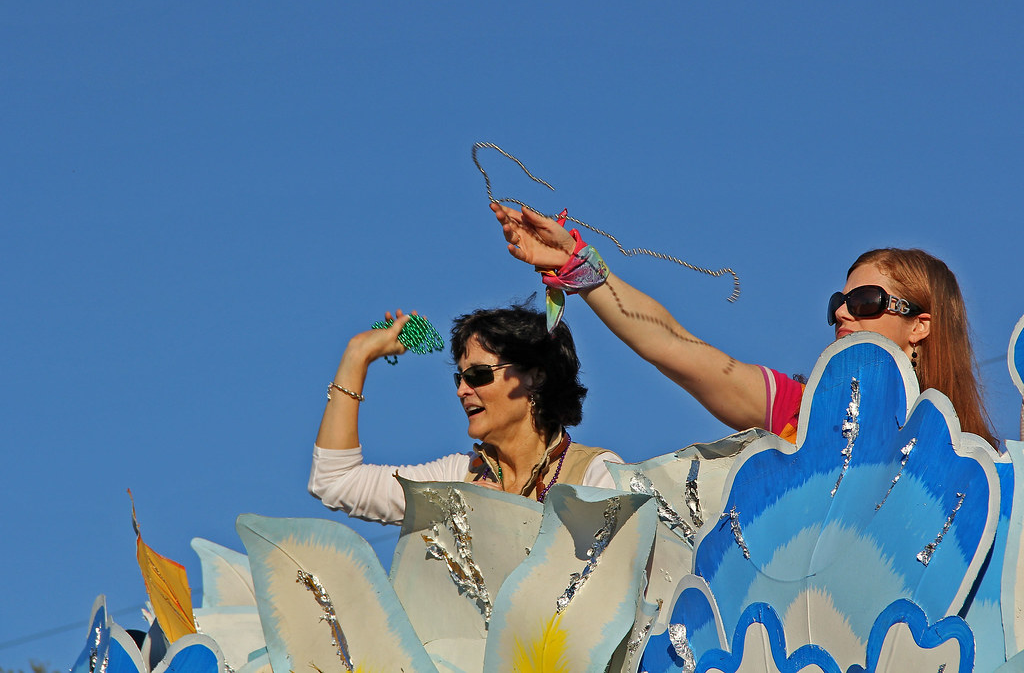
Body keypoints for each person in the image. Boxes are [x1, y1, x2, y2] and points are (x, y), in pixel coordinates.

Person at [490, 203, 998, 449]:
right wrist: (581, 268)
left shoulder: (981, 461)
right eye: (839, 301)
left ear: (921, 326)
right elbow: (674, 345)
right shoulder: (796, 410)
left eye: (866, 301)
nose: (842, 313)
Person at [308, 303, 624, 524]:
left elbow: (620, 586)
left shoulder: (599, 475)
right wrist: (356, 355)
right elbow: (335, 481)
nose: (462, 391)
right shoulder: (458, 478)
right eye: (460, 377)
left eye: (478, 375)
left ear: (536, 377)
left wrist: (512, 523)